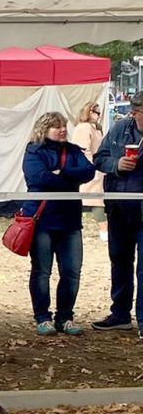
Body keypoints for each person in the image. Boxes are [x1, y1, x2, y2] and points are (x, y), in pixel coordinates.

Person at [22, 112, 96, 336]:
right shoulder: (33, 150)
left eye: (63, 125)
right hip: (42, 221)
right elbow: (38, 178)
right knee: (42, 271)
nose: (62, 129)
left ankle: (65, 317)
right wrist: (70, 180)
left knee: (72, 272)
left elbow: (89, 171)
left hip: (70, 221)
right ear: (44, 129)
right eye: (56, 126)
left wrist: (63, 171)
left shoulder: (73, 150)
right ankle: (42, 317)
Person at [93, 91, 143, 334]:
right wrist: (116, 165)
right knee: (120, 262)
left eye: (138, 112)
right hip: (118, 209)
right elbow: (99, 158)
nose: (133, 116)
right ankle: (120, 314)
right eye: (133, 112)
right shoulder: (120, 128)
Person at [72, 101, 107, 243]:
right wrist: (89, 167)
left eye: (98, 112)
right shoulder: (83, 127)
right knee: (95, 200)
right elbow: (82, 149)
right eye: (94, 111)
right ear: (88, 112)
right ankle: (104, 229)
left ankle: (103, 229)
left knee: (95, 200)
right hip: (89, 168)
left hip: (98, 167)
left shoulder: (96, 128)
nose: (97, 115)